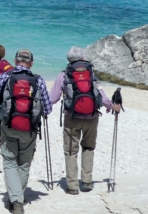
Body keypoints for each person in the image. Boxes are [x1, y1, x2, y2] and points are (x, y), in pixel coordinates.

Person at [49, 46, 121, 195]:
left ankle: (72, 186)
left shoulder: (63, 75)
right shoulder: (91, 74)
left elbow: (53, 98)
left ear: (68, 59)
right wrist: (112, 106)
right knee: (88, 148)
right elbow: (101, 94)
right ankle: (87, 181)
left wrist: (39, 106)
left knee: (71, 151)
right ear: (82, 58)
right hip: (92, 118)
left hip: (72, 118)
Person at [0, 49, 52, 214]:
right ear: (31, 63)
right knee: (24, 163)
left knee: (9, 161)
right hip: (30, 128)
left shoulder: (5, 77)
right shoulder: (38, 80)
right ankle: (18, 198)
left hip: (9, 126)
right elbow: (48, 108)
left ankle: (16, 200)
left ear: (15, 61)